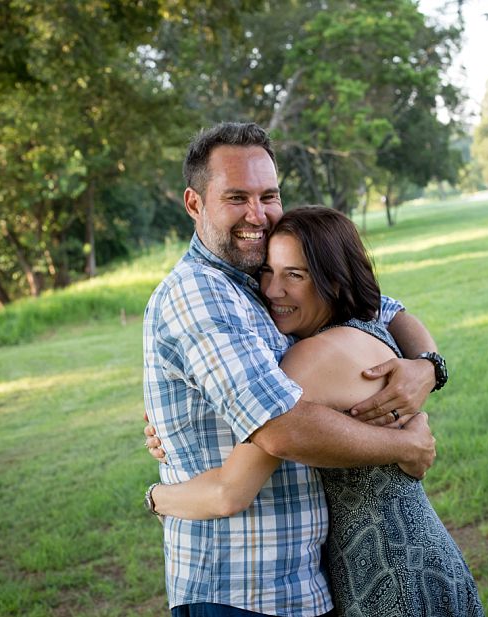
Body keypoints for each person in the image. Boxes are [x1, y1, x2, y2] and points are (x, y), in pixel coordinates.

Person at [143, 122, 448, 617]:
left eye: (269, 195)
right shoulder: (199, 292)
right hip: (240, 587)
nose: (257, 214)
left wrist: (427, 366)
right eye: (236, 197)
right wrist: (405, 444)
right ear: (194, 203)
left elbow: (383, 307)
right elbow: (280, 427)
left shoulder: (260, 279)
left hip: (312, 580)